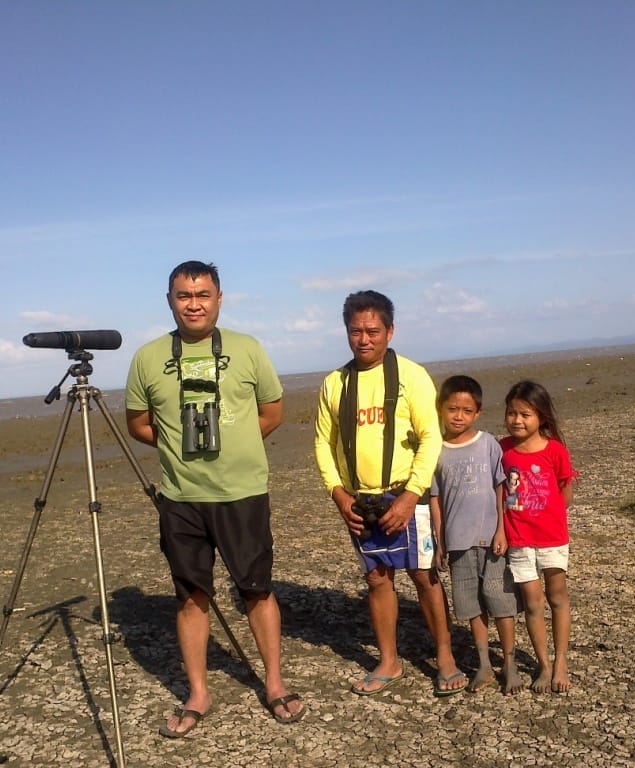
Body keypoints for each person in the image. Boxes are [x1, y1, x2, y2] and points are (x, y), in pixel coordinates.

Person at [126, 260, 305, 737]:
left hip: (242, 492)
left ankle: (274, 683)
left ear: (219, 299)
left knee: (256, 588)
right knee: (191, 596)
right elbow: (140, 424)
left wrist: (235, 447)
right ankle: (199, 692)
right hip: (181, 496)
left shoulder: (247, 349)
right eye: (184, 296)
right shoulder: (147, 357)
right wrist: (178, 448)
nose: (194, 304)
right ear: (169, 300)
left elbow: (272, 411)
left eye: (203, 294)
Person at [313, 290, 466, 696]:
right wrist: (338, 494)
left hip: (405, 497)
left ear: (390, 331)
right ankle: (389, 660)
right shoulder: (335, 383)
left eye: (373, 331)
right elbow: (322, 445)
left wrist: (411, 495)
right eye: (356, 331)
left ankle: (445, 657)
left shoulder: (412, 376)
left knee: (423, 575)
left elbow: (431, 437)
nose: (364, 339)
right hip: (359, 501)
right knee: (378, 579)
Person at [430, 375, 523, 695]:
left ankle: (509, 663)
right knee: (471, 606)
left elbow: (502, 490)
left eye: (466, 410)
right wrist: (440, 543)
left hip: (491, 539)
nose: (458, 415)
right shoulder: (436, 451)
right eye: (452, 408)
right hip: (457, 543)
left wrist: (502, 529)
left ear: (477, 413)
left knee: (500, 601)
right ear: (440, 409)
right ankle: (484, 664)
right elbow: (436, 501)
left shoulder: (487, 444)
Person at [499, 380, 576, 693]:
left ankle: (561, 662)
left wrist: (547, 515)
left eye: (525, 414)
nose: (517, 420)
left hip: (552, 538)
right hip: (518, 540)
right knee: (532, 603)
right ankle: (544, 665)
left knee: (557, 597)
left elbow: (565, 491)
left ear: (541, 418)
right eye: (511, 413)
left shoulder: (555, 451)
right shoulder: (502, 450)